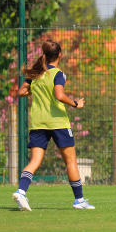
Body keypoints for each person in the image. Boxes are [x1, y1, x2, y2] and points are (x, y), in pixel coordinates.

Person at [13, 40, 95, 210]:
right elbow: (59, 95)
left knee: (35, 160)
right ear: (59, 55)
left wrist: (36, 89)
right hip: (57, 122)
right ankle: (79, 200)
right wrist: (74, 103)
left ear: (44, 55)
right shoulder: (58, 73)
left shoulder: (36, 74)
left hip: (38, 122)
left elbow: (21, 92)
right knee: (71, 161)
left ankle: (21, 191)